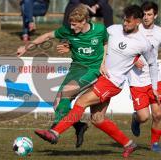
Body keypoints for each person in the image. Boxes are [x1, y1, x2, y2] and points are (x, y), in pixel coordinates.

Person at [34, 5, 159, 158]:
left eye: (128, 22)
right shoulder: (113, 29)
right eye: (124, 20)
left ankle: (54, 132)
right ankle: (129, 144)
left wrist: (153, 86)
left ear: (138, 21)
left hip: (112, 82)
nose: (125, 24)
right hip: (100, 77)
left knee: (81, 101)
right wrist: (70, 46)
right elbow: (94, 41)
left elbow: (152, 64)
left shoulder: (143, 43)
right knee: (97, 119)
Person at [17, 4, 108, 148]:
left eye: (74, 25)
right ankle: (79, 126)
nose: (71, 28)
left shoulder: (100, 29)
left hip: (92, 69)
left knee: (66, 92)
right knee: (57, 104)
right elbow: (47, 36)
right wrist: (25, 47)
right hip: (76, 68)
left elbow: (105, 44)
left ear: (84, 21)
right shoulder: (68, 31)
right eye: (70, 24)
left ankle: (54, 130)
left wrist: (103, 63)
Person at [127, 1, 161, 152]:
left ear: (156, 15)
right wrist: (134, 60)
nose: (146, 17)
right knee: (144, 117)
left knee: (158, 114)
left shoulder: (159, 32)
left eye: (149, 14)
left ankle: (154, 143)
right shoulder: (133, 30)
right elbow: (122, 50)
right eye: (144, 14)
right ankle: (136, 118)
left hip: (155, 78)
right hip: (137, 79)